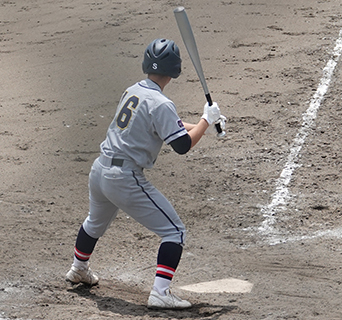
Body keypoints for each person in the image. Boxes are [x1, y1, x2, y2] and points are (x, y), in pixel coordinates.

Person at [65, 38, 225, 309]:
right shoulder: (162, 103)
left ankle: (78, 269)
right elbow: (182, 146)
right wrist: (206, 121)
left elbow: (165, 124)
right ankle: (160, 293)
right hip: (123, 178)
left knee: (94, 223)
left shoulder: (133, 90)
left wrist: (203, 122)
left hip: (100, 171)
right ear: (174, 70)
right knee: (175, 231)